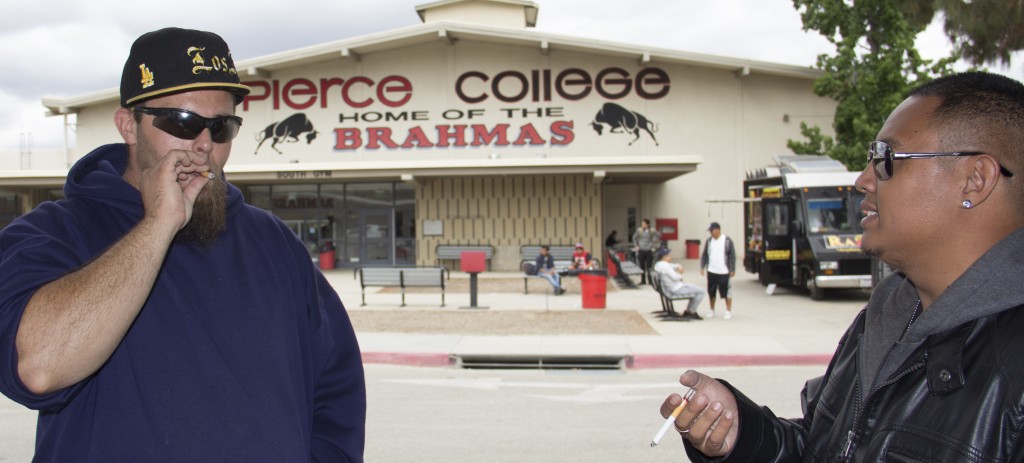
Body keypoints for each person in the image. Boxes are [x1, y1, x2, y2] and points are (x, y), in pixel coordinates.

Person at [0, 28, 366, 461]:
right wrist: (159, 223)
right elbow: (41, 368)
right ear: (128, 125)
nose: (205, 144)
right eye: (182, 122)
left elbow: (335, 386)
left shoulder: (272, 241)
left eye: (222, 126)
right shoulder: (51, 233)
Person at [660, 71, 1024, 461]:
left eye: (886, 159)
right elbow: (820, 447)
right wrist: (742, 435)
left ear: (974, 179)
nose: (863, 180)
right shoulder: (883, 318)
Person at [652, 248, 704, 320]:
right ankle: (691, 312)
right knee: (701, 291)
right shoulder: (665, 266)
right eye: (669, 255)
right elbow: (675, 277)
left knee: (696, 288)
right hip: (676, 289)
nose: (671, 256)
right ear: (664, 257)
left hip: (674, 287)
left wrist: (678, 266)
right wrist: (681, 274)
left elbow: (673, 266)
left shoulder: (659, 264)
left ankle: (689, 311)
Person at [699, 222, 736, 319]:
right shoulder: (709, 241)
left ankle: (728, 310)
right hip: (712, 270)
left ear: (717, 230)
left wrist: (732, 269)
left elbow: (732, 255)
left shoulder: (727, 240)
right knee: (711, 291)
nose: (711, 233)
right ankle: (712, 309)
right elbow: (705, 254)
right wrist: (702, 266)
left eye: (712, 231)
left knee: (726, 292)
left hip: (724, 271)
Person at [633, 218, 661, 285]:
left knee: (649, 266)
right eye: (642, 224)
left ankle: (650, 280)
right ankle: (643, 280)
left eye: (644, 224)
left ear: (647, 224)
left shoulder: (652, 230)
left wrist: (655, 240)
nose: (642, 225)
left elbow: (659, 235)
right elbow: (634, 238)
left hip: (649, 250)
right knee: (641, 266)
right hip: (641, 250)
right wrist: (636, 245)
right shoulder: (639, 230)